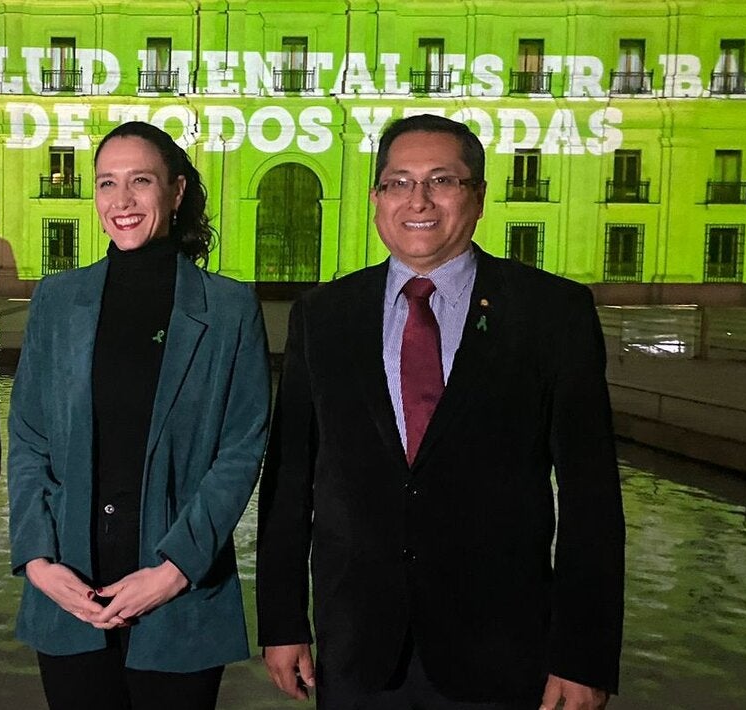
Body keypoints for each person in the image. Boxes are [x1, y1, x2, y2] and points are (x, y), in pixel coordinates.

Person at [256, 113, 625, 709]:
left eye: (442, 181)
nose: (417, 200)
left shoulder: (552, 313)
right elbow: (290, 482)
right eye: (398, 182)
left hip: (501, 653)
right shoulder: (322, 316)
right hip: (356, 651)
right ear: (377, 199)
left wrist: (583, 655)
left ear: (477, 196)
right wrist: (282, 622)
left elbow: (592, 500)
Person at [7, 121, 271, 710]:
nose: (121, 201)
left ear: (176, 192)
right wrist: (38, 561)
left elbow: (241, 448)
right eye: (106, 184)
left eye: (140, 181)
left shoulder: (229, 308)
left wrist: (174, 570)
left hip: (178, 599)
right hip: (70, 593)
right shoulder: (56, 300)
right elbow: (27, 440)